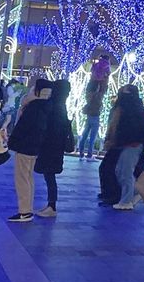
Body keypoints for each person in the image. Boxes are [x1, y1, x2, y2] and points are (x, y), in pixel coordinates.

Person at [6, 78, 52, 223]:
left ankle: (24, 211)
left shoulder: (33, 107)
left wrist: (12, 142)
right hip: (34, 147)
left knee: (22, 178)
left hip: (25, 146)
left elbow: (22, 127)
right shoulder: (47, 106)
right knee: (28, 177)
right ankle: (27, 209)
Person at [110, 85, 144, 210]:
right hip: (130, 143)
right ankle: (135, 192)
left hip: (132, 144)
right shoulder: (136, 108)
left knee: (125, 172)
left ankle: (126, 200)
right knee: (121, 170)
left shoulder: (132, 109)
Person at [35, 79, 74, 218]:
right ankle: (51, 205)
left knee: (49, 176)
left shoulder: (54, 106)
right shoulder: (61, 106)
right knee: (49, 176)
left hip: (50, 147)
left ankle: (52, 206)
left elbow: (50, 128)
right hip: (56, 148)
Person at [76, 78, 106, 160]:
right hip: (95, 117)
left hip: (89, 116)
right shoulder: (97, 96)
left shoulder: (88, 95)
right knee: (92, 137)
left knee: (84, 135)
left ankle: (81, 153)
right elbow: (103, 90)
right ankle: (89, 154)